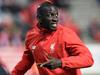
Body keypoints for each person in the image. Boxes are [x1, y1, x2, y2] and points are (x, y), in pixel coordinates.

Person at [11, 1, 94, 75]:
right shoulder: (31, 36)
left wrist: (61, 62)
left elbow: (88, 59)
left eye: (56, 15)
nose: (55, 19)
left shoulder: (66, 34)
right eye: (50, 15)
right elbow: (27, 61)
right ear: (39, 18)